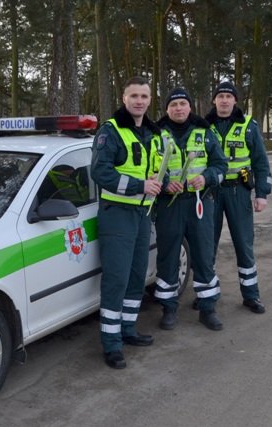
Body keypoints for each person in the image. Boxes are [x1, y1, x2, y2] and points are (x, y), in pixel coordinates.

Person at [91, 76, 163, 369]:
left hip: (142, 215)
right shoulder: (111, 131)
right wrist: (139, 185)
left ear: (150, 100)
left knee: (136, 276)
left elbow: (154, 169)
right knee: (116, 279)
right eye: (134, 96)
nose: (139, 101)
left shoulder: (153, 133)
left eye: (144, 96)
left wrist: (160, 181)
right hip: (117, 215)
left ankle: (128, 329)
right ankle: (111, 345)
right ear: (124, 98)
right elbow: (100, 172)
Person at [153, 87, 228, 331]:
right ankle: (169, 309)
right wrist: (165, 183)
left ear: (190, 107)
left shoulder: (204, 132)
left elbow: (221, 165)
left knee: (204, 255)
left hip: (199, 202)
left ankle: (208, 309)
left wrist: (206, 178)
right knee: (168, 256)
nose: (178, 108)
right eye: (173, 104)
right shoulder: (156, 134)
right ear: (167, 109)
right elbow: (148, 169)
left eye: (182, 104)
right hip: (169, 204)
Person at [205, 81, 272, 314]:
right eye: (220, 96)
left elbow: (261, 162)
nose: (224, 100)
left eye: (228, 96)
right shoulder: (203, 126)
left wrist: (262, 194)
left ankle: (251, 295)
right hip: (210, 193)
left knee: (244, 244)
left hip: (238, 192)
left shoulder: (248, 126)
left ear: (235, 100)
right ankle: (207, 295)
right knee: (207, 245)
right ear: (214, 100)